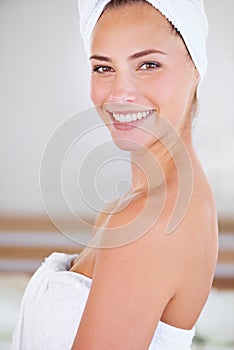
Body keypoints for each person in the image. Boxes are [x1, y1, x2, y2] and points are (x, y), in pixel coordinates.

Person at [12, 0, 218, 349]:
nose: (121, 94)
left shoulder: (151, 220)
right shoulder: (140, 203)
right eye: (103, 68)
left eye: (148, 64)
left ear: (195, 67)